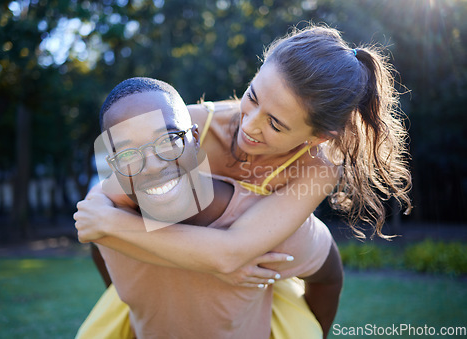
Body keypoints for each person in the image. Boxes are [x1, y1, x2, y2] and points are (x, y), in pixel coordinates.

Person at [75, 24, 412, 338]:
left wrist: (110, 224)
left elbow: (233, 253)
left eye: (276, 125)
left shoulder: (318, 168)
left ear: (319, 137)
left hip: (253, 289)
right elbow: (117, 182)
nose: (249, 124)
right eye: (252, 96)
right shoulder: (191, 125)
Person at [76, 76, 340, 339]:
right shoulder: (102, 219)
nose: (154, 164)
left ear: (195, 138)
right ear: (114, 168)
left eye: (169, 140)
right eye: (127, 154)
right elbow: (99, 245)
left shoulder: (269, 229)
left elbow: (329, 277)